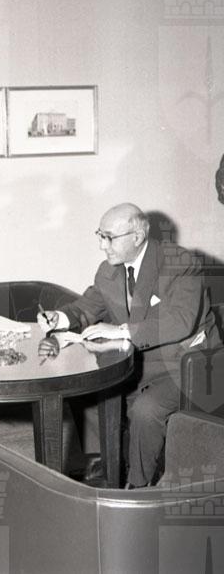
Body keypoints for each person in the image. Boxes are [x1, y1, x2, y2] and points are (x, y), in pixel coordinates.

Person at [37, 203, 220, 488]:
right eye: (100, 235)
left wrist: (121, 330)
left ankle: (137, 487)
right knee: (85, 388)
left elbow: (180, 321)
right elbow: (87, 307)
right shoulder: (108, 271)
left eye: (109, 237)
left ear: (137, 237)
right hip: (137, 362)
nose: (102, 245)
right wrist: (59, 318)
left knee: (145, 410)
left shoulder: (180, 263)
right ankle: (106, 463)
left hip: (187, 364)